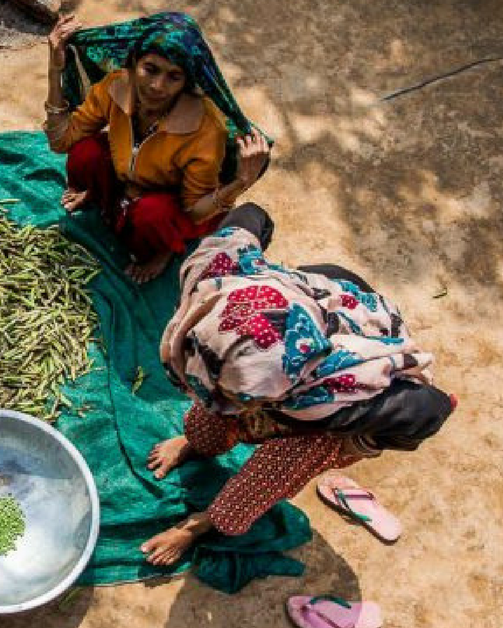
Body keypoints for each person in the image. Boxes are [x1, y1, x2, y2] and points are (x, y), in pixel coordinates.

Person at [138, 203, 456, 565]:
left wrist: (364, 440)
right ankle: (198, 442)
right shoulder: (215, 269)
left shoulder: (339, 396)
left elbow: (429, 410)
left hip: (338, 385)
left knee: (279, 467)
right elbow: (252, 214)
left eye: (241, 398)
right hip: (303, 300)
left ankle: (202, 524)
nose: (228, 403)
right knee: (213, 409)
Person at [43, 12, 271, 283]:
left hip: (168, 199)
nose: (156, 86)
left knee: (152, 216)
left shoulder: (205, 127)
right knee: (85, 153)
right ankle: (101, 197)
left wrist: (241, 182)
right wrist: (55, 68)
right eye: (150, 69)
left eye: (173, 77)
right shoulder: (116, 86)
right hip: (124, 171)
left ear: (187, 82)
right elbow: (62, 141)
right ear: (133, 62)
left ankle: (162, 251)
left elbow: (195, 209)